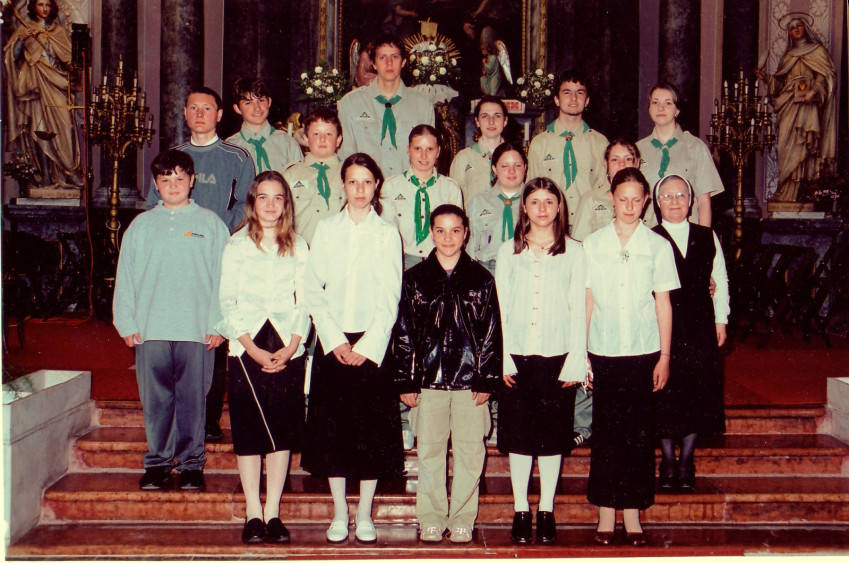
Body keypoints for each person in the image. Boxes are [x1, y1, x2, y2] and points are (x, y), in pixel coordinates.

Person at [301, 153, 404, 545]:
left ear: (377, 185)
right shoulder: (327, 230)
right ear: (342, 185)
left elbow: (391, 295)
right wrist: (335, 340)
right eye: (352, 182)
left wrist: (369, 345)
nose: (360, 190)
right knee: (334, 432)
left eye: (367, 182)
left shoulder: (387, 233)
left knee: (370, 433)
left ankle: (364, 513)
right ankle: (340, 511)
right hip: (335, 343)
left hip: (372, 345)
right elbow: (313, 289)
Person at [112, 149, 229, 492]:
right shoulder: (141, 225)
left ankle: (191, 464)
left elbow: (225, 278)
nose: (173, 185)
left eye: (180, 178)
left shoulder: (211, 224)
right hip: (151, 327)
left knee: (194, 400)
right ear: (156, 184)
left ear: (192, 181)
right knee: (157, 401)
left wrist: (219, 323)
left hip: (197, 328)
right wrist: (126, 321)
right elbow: (126, 276)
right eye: (166, 179)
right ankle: (158, 463)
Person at [145, 86, 256, 444]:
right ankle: (176, 414)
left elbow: (246, 203)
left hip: (218, 253)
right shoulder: (173, 156)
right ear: (184, 113)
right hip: (176, 258)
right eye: (193, 108)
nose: (200, 114)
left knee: (212, 334)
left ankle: (208, 417)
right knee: (178, 333)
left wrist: (217, 234)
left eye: (207, 108)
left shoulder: (237, 156)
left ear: (219, 115)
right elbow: (152, 205)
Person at [390, 204, 502, 544]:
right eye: (441, 230)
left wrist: (486, 378)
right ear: (432, 233)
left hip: (470, 384)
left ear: (465, 233)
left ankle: (463, 518)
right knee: (430, 453)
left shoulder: (481, 279)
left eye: (455, 230)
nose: (448, 237)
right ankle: (431, 518)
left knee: (470, 453)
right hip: (429, 381)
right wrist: (406, 380)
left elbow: (492, 333)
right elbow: (404, 332)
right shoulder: (415, 279)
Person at [583, 167, 680, 546]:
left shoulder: (657, 246)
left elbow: (663, 303)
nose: (628, 206)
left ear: (646, 201)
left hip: (643, 350)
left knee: (639, 435)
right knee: (607, 434)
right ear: (611, 198)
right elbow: (588, 300)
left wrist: (665, 356)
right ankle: (607, 512)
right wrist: (583, 353)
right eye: (622, 199)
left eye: (636, 200)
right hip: (603, 349)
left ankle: (633, 514)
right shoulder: (593, 244)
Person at [216, 171, 310, 544]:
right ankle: (253, 512)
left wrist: (292, 346)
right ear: (253, 203)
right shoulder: (236, 245)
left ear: (286, 204)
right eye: (263, 197)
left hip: (286, 343)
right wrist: (252, 349)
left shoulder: (299, 245)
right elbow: (227, 301)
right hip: (247, 345)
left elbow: (305, 300)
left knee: (281, 432)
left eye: (278, 198)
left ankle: (273, 512)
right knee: (250, 433)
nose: (270, 205)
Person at [495, 177, 587, 545]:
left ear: (559, 207)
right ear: (524, 207)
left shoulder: (575, 251)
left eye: (550, 201)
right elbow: (500, 307)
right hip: (517, 355)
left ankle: (546, 509)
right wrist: (502, 358)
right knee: (519, 438)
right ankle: (521, 509)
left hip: (557, 355)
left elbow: (579, 307)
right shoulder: (508, 251)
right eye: (535, 201)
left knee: (551, 438)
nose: (543, 208)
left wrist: (576, 359)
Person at [651, 174, 729, 491]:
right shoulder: (650, 237)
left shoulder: (707, 236)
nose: (675, 201)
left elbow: (720, 278)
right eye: (667, 196)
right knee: (665, 394)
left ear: (691, 201)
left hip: (699, 325)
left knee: (699, 390)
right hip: (662, 327)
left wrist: (721, 320)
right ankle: (668, 461)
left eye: (681, 195)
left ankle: (686, 461)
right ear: (657, 202)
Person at [754, 15, 837, 202]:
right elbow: (780, 84)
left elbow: (826, 75)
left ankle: (802, 191)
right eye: (792, 28)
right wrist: (766, 77)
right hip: (789, 104)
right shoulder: (788, 56)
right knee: (784, 145)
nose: (796, 30)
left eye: (799, 26)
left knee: (805, 143)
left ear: (805, 28)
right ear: (790, 33)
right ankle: (786, 189)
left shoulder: (818, 50)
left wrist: (814, 91)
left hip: (807, 105)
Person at [3, 0, 80, 187]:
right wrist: (21, 39)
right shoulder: (25, 29)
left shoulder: (59, 31)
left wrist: (71, 66)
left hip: (57, 85)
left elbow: (70, 61)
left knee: (67, 127)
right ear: (33, 7)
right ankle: (46, 176)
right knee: (40, 130)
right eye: (40, 4)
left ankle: (68, 172)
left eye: (47, 4)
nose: (44, 8)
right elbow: (11, 58)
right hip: (36, 87)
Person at [337, 33, 435, 178]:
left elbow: (428, 156)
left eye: (394, 57)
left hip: (409, 187)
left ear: (403, 62)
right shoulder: (350, 104)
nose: (389, 63)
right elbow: (346, 157)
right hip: (366, 188)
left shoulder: (422, 104)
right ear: (373, 64)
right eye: (382, 58)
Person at [527, 69, 608, 228]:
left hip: (588, 226)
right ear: (557, 100)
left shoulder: (600, 143)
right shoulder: (539, 144)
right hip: (550, 225)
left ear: (587, 101)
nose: (573, 98)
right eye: (567, 92)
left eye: (580, 93)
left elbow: (603, 191)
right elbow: (532, 191)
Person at [636, 82, 723, 227]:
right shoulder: (638, 149)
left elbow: (704, 201)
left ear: (677, 110)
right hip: (649, 232)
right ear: (649, 108)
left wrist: (703, 237)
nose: (661, 108)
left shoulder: (695, 147)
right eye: (655, 102)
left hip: (685, 232)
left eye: (668, 103)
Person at [382, 124, 464, 271]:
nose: (424, 156)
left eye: (430, 149)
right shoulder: (391, 187)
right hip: (403, 262)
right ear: (408, 150)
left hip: (441, 262)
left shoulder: (451, 188)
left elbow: (457, 233)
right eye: (417, 149)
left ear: (438, 151)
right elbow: (386, 234)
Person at [283, 107, 346, 244]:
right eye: (316, 134)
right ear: (306, 139)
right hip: (301, 250)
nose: (322, 139)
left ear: (338, 140)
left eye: (329, 134)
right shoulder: (290, 176)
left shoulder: (349, 174)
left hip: (338, 249)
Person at [226, 77, 304, 175]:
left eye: (261, 100)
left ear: (269, 102)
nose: (257, 108)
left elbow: (301, 179)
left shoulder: (287, 143)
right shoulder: (230, 147)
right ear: (237, 108)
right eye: (248, 103)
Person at [468, 142, 525, 273]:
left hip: (524, 268)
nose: (511, 171)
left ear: (525, 167)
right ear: (494, 169)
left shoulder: (535, 201)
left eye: (517, 165)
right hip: (488, 268)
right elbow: (471, 243)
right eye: (504, 166)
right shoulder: (479, 201)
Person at [571, 138, 641, 243]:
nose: (622, 164)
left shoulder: (647, 201)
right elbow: (578, 244)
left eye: (628, 159)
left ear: (637, 163)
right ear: (606, 164)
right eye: (614, 159)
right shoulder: (590, 199)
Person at [450, 96, 510, 204]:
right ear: (477, 121)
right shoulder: (464, 158)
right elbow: (453, 200)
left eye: (497, 116)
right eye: (485, 116)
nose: (491, 122)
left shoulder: (514, 157)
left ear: (505, 121)